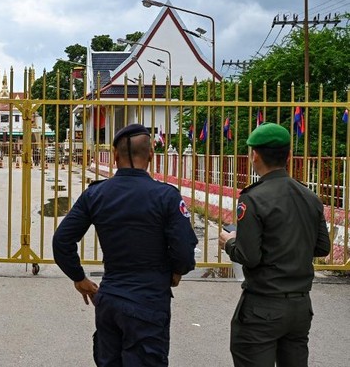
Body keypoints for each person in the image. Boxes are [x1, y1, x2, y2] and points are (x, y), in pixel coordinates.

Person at [52, 123, 198, 366]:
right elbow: (183, 248)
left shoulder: (96, 194)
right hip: (149, 301)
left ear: (115, 155)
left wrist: (79, 277)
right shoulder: (166, 196)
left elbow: (62, 240)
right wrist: (177, 271)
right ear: (151, 154)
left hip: (110, 299)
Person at [218, 122, 330, 367]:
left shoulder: (253, 198)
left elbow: (249, 256)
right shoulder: (310, 197)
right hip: (300, 307)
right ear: (289, 156)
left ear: (254, 155)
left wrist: (230, 242)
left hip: (263, 307)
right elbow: (323, 247)